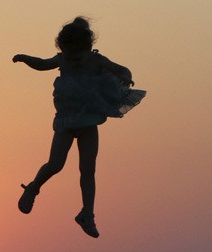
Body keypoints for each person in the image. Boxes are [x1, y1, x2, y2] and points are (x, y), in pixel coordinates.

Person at [13, 17, 146, 238]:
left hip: (89, 123)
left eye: (77, 57)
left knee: (88, 169)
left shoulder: (96, 60)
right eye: (69, 56)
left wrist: (125, 76)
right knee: (55, 164)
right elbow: (43, 64)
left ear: (88, 49)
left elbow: (121, 69)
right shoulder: (63, 59)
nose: (73, 61)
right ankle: (33, 188)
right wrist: (25, 58)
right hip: (66, 123)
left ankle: (87, 214)